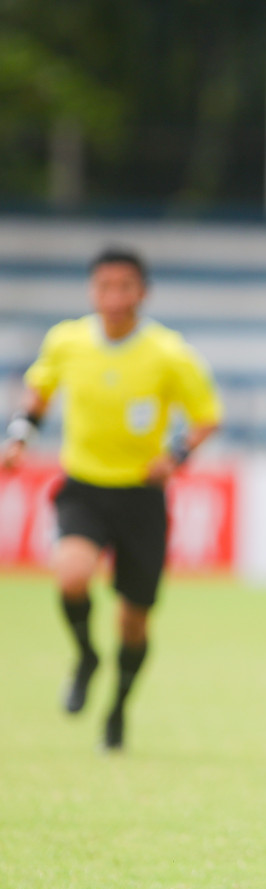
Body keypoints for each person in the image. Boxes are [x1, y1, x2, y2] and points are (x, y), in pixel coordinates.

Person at [2, 247, 222, 752]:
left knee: (133, 618)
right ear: (92, 291)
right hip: (85, 485)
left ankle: (119, 706)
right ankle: (85, 655)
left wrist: (177, 453)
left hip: (142, 496)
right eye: (104, 287)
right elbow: (38, 393)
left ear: (142, 293)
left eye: (125, 287)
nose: (114, 297)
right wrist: (19, 437)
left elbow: (207, 415)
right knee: (72, 574)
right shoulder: (67, 341)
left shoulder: (168, 354)